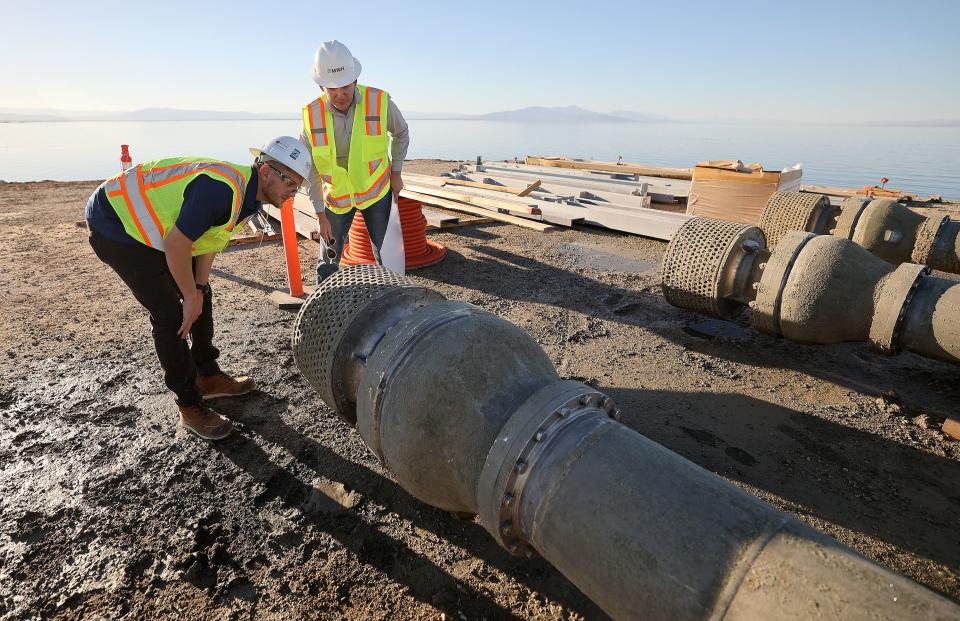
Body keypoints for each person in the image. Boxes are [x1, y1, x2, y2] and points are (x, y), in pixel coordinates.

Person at [85, 136, 312, 440]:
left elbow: (208, 240)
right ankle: (189, 405)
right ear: (268, 171)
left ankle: (208, 376)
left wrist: (199, 289)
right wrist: (188, 296)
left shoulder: (249, 195)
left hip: (155, 228)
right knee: (171, 315)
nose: (293, 194)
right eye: (291, 185)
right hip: (114, 223)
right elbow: (177, 244)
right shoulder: (220, 189)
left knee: (200, 295)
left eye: (297, 188)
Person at [299, 40, 410, 282]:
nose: (340, 94)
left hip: (376, 190)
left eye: (345, 87)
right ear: (321, 87)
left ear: (355, 80)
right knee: (327, 262)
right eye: (332, 88)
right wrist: (320, 215)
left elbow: (401, 133)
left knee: (387, 257)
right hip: (336, 198)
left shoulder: (379, 102)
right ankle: (323, 308)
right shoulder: (311, 116)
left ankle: (393, 299)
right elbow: (311, 171)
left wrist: (396, 173)